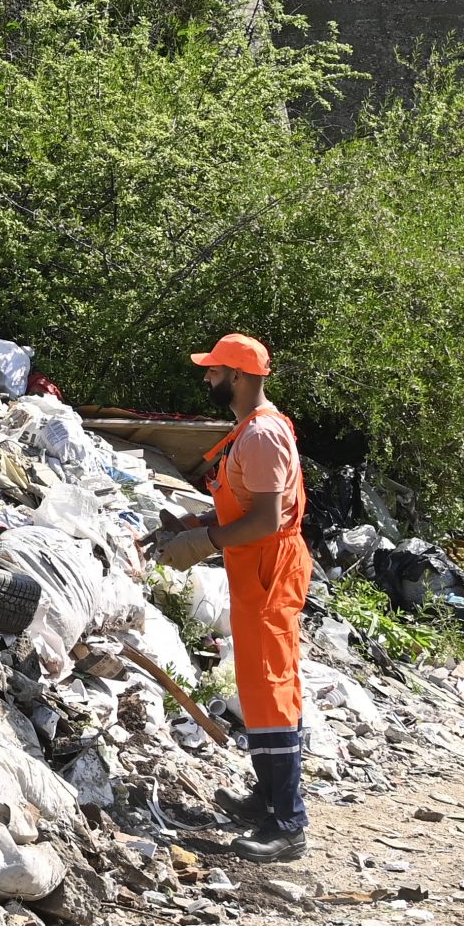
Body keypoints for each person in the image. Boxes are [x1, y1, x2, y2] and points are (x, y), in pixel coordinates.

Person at [155, 332, 311, 862]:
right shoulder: (253, 430)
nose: (207, 379)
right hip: (257, 569)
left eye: (215, 372)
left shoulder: (262, 436)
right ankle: (267, 800)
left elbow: (267, 520)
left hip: (269, 570)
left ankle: (288, 823)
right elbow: (247, 508)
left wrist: (203, 542)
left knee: (270, 689)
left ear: (239, 377)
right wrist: (195, 521)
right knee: (259, 683)